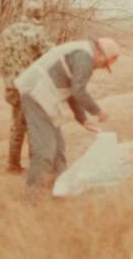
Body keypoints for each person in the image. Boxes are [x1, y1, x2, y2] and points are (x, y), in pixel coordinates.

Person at [14, 37, 120, 200]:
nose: (100, 67)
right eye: (104, 64)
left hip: (46, 95)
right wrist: (98, 112)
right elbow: (78, 91)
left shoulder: (83, 52)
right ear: (101, 55)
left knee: (58, 150)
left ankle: (60, 192)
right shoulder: (84, 57)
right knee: (45, 150)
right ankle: (34, 200)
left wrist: (82, 119)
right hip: (37, 93)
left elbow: (72, 91)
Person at [0, 2, 54, 174]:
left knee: (17, 123)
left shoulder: (7, 31)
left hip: (12, 84)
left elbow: (2, 59)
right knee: (34, 124)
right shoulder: (38, 32)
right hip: (31, 84)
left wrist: (8, 81)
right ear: (37, 16)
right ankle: (35, 165)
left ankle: (13, 164)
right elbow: (50, 55)